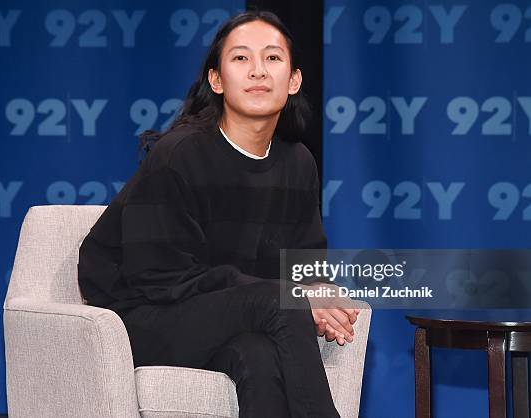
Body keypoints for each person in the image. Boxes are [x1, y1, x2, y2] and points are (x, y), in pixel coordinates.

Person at [78, 10, 359, 418]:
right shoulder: (180, 154)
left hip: (227, 315)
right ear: (216, 80)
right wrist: (288, 295)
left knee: (259, 357)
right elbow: (158, 278)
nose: (258, 71)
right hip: (142, 318)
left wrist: (318, 287)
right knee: (282, 303)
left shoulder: (298, 163)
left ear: (294, 80)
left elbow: (303, 263)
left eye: (273, 59)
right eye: (241, 59)